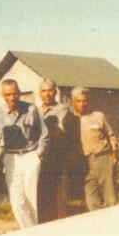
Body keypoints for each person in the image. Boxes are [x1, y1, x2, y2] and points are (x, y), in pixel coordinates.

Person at [0, 79, 49, 228]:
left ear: (19, 93)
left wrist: (38, 154)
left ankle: (34, 233)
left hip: (30, 155)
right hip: (11, 158)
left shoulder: (31, 109)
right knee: (16, 201)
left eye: (14, 93)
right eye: (8, 94)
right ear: (3, 95)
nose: (12, 98)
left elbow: (44, 133)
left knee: (31, 198)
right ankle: (30, 230)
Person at [71, 87, 118, 211]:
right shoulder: (71, 120)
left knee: (111, 198)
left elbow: (111, 136)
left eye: (85, 100)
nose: (82, 104)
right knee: (92, 201)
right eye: (79, 101)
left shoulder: (98, 116)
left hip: (103, 159)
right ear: (73, 102)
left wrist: (114, 155)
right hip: (85, 163)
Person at [37, 78, 73, 222]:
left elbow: (57, 131)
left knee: (58, 198)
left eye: (50, 90)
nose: (47, 94)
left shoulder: (62, 109)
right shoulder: (35, 110)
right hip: (39, 159)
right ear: (39, 93)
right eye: (43, 91)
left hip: (56, 158)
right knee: (41, 197)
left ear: (55, 92)